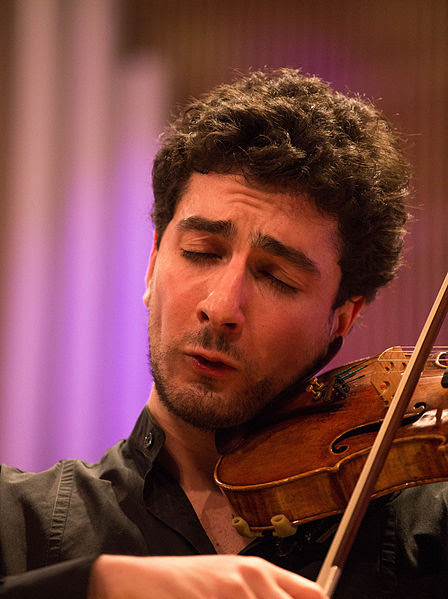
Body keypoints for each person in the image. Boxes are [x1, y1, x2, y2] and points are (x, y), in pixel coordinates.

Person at [1, 68, 447, 599]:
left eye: (276, 277)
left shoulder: (428, 534)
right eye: (201, 253)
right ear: (151, 267)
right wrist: (92, 586)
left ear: (340, 320)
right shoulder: (17, 524)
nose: (221, 307)